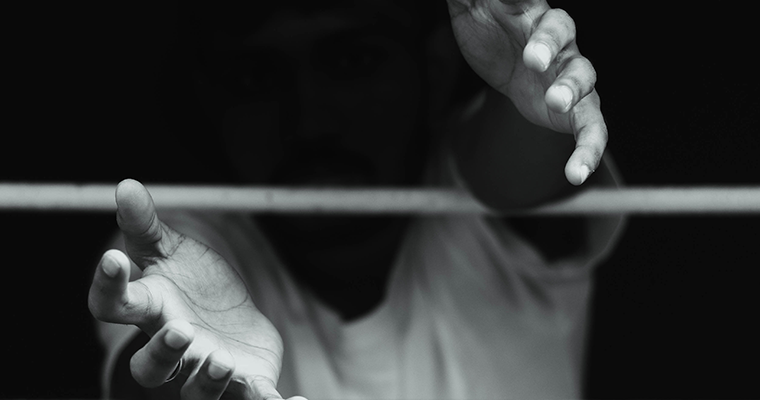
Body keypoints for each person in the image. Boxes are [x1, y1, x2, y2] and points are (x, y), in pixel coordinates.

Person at [88, 0, 623, 399]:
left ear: (433, 72)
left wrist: (532, 86)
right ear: (210, 100)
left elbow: (521, 169)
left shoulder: (486, 212)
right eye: (258, 76)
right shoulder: (177, 247)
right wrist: (186, 374)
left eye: (351, 61)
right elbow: (148, 370)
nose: (310, 119)